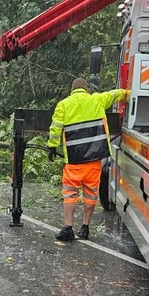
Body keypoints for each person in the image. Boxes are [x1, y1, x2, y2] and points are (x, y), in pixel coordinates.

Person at [47, 78, 129, 241]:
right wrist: (129, 94)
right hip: (94, 160)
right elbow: (115, 94)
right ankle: (85, 227)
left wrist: (52, 146)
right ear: (86, 90)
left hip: (74, 160)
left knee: (70, 195)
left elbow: (55, 128)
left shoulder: (64, 104)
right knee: (91, 195)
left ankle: (68, 228)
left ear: (72, 90)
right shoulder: (96, 100)